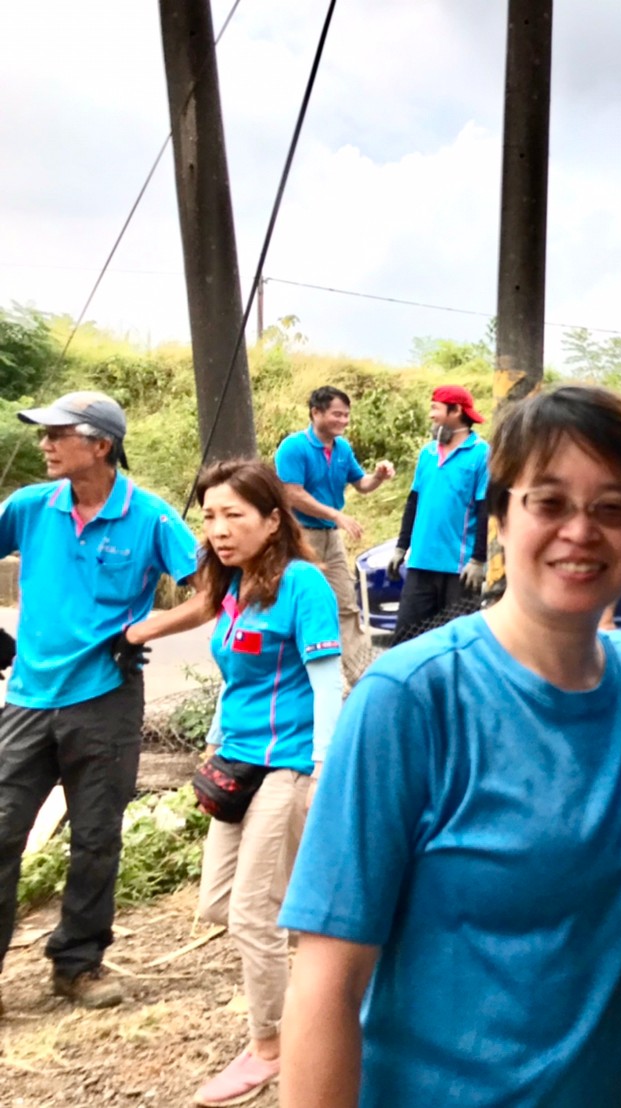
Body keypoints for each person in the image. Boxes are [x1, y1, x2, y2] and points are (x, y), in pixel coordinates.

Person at [277, 386, 621, 1107]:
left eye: (615, 508)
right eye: (549, 502)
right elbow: (327, 984)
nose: (581, 531)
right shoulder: (410, 699)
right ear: (501, 517)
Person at [127, 460, 343, 1106]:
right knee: (220, 904)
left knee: (253, 914)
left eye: (234, 515)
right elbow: (234, 677)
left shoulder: (302, 585)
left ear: (273, 520)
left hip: (289, 762)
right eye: (210, 516)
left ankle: (271, 1048)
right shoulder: (235, 586)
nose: (218, 530)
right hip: (237, 763)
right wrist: (216, 740)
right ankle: (333, 978)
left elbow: (328, 685)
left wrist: (323, 770)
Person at [0, 391, 198, 1013]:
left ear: (101, 445)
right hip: (27, 699)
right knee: (2, 831)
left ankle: (77, 964)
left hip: (106, 699)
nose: (45, 445)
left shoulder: (151, 517)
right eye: (44, 434)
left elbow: (213, 589)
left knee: (95, 837)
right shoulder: (29, 506)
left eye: (57, 434)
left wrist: (142, 631)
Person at [273, 386, 396, 681]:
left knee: (346, 604)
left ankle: (361, 678)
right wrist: (336, 515)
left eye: (346, 415)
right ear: (316, 413)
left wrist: (378, 477)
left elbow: (362, 484)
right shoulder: (293, 447)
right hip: (299, 535)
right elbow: (292, 494)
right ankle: (294, 677)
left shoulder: (342, 449)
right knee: (300, 603)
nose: (343, 420)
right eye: (337, 414)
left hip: (331, 538)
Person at [387, 385, 490, 644]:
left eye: (436, 408)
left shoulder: (481, 453)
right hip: (421, 562)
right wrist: (401, 547)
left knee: (458, 644)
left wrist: (478, 559)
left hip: (460, 568)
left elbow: (486, 509)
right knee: (406, 640)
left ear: (456, 411)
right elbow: (413, 502)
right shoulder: (428, 453)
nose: (431, 414)